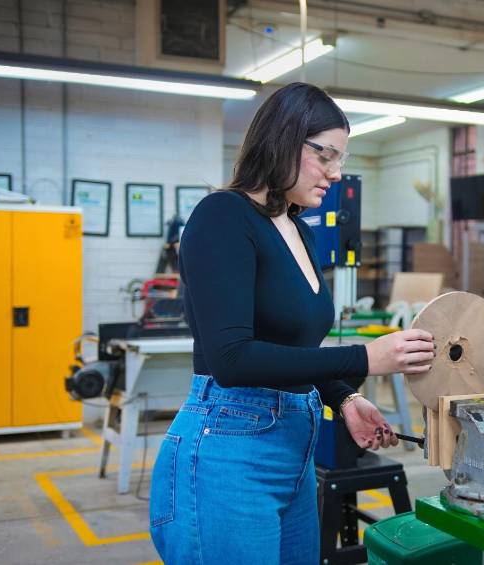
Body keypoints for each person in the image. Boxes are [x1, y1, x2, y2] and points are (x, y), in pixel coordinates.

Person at [149, 82, 435, 565]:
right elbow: (232, 359)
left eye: (342, 159)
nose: (336, 173)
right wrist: (368, 357)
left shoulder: (298, 229)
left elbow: (289, 343)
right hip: (228, 450)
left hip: (294, 449)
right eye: (326, 155)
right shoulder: (223, 215)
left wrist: (342, 395)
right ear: (284, 138)